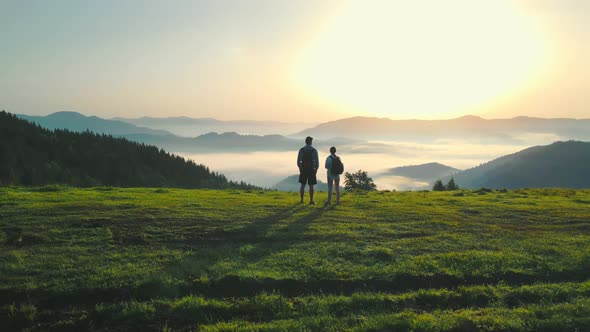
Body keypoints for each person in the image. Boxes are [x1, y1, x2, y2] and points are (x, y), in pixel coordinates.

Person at [297, 136, 319, 204]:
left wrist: (301, 168)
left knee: (302, 185)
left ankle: (301, 200)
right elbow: (317, 163)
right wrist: (315, 170)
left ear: (305, 142)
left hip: (303, 169)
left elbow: (298, 161)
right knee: (311, 186)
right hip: (311, 170)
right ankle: (311, 200)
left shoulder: (301, 150)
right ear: (311, 142)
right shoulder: (314, 151)